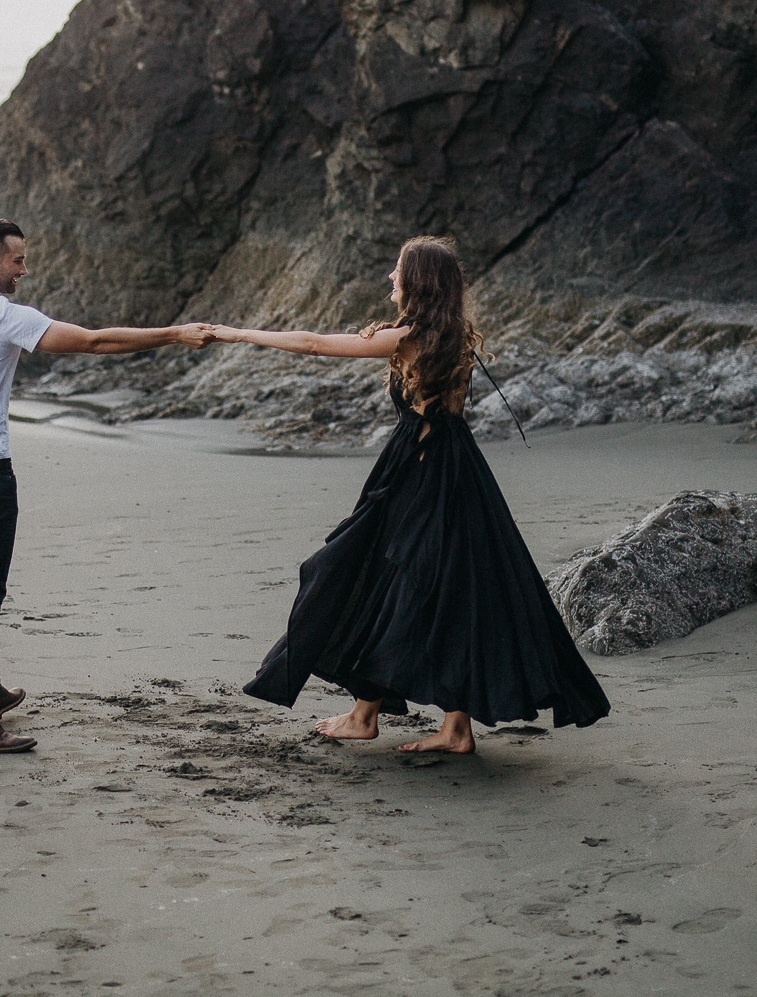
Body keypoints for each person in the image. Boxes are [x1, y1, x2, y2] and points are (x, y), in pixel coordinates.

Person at [210, 235, 610, 753]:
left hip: (421, 474)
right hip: (455, 469)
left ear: (417, 282)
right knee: (450, 589)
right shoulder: (454, 335)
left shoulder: (410, 338)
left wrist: (237, 333)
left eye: (397, 272)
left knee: (378, 575)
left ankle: (383, 717)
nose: (391, 281)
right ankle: (435, 723)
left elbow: (314, 344)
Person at [0, 216, 214, 753]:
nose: (25, 269)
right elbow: (92, 342)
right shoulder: (3, 317)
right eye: (17, 259)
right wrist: (174, 334)